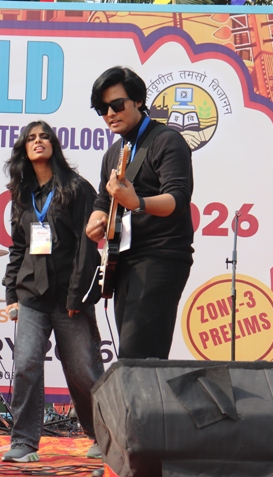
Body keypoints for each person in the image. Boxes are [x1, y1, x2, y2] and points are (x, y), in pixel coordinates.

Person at [2, 121, 105, 463]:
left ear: (54, 145)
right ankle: (24, 441)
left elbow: (87, 247)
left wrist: (78, 295)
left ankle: (102, 436)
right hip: (32, 296)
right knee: (25, 364)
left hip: (69, 297)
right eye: (31, 138)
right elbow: (19, 247)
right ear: (24, 149)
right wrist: (11, 293)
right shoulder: (22, 194)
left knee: (83, 369)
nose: (38, 141)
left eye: (44, 136)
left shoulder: (76, 188)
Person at [86, 66, 194, 360]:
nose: (110, 113)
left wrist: (138, 202)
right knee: (132, 357)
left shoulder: (167, 140)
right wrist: (97, 221)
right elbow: (102, 201)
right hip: (123, 260)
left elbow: (178, 199)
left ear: (138, 101)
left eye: (117, 104)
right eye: (103, 109)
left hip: (161, 256)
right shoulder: (113, 153)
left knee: (139, 355)